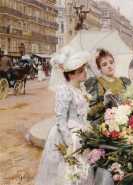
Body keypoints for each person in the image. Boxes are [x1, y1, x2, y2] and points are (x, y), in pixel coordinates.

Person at [35, 51, 94, 185]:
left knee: (82, 170)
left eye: (83, 69)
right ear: (71, 74)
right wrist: (69, 144)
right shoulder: (64, 90)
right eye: (80, 71)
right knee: (69, 173)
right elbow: (61, 120)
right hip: (69, 136)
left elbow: (82, 113)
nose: (85, 72)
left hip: (81, 135)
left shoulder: (81, 89)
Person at [84, 49, 131, 125]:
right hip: (105, 126)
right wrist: (104, 102)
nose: (109, 66)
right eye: (104, 64)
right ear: (100, 68)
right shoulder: (96, 83)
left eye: (111, 62)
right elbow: (90, 114)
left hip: (125, 122)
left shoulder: (124, 81)